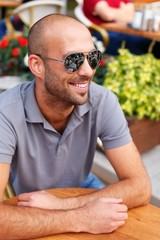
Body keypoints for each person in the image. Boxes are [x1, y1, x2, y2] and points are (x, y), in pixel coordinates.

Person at [0, 14, 151, 239]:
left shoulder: (102, 100)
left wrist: (63, 206)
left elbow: (140, 186)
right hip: (31, 195)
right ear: (37, 65)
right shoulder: (6, 112)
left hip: (84, 186)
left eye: (92, 57)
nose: (88, 71)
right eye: (73, 60)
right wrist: (80, 217)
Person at [82, 0, 156, 56]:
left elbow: (131, 10)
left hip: (125, 30)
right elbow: (108, 15)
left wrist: (117, 14)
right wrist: (124, 11)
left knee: (153, 42)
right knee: (148, 43)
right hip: (105, 33)